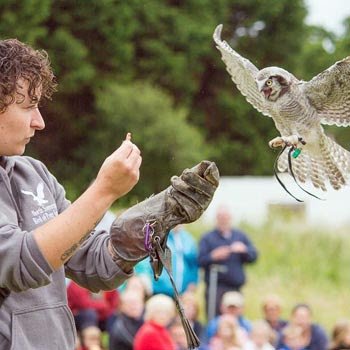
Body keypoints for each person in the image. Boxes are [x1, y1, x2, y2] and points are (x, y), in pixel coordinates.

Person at [0, 39, 219, 349]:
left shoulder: (35, 173)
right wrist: (104, 191)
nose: (40, 121)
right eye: (28, 106)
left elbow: (93, 265)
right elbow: (20, 262)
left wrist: (156, 218)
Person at [198, 205, 258, 318]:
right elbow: (200, 261)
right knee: (214, 319)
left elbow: (254, 256)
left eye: (225, 217)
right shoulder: (207, 238)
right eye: (220, 217)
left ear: (230, 218)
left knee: (235, 321)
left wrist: (244, 250)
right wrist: (213, 256)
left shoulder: (240, 236)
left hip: (235, 287)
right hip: (215, 287)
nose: (223, 220)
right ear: (216, 219)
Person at [149, 224, 199, 297]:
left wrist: (193, 282)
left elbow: (194, 265)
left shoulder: (189, 240)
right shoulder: (159, 237)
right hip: (161, 291)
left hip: (183, 293)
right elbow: (150, 260)